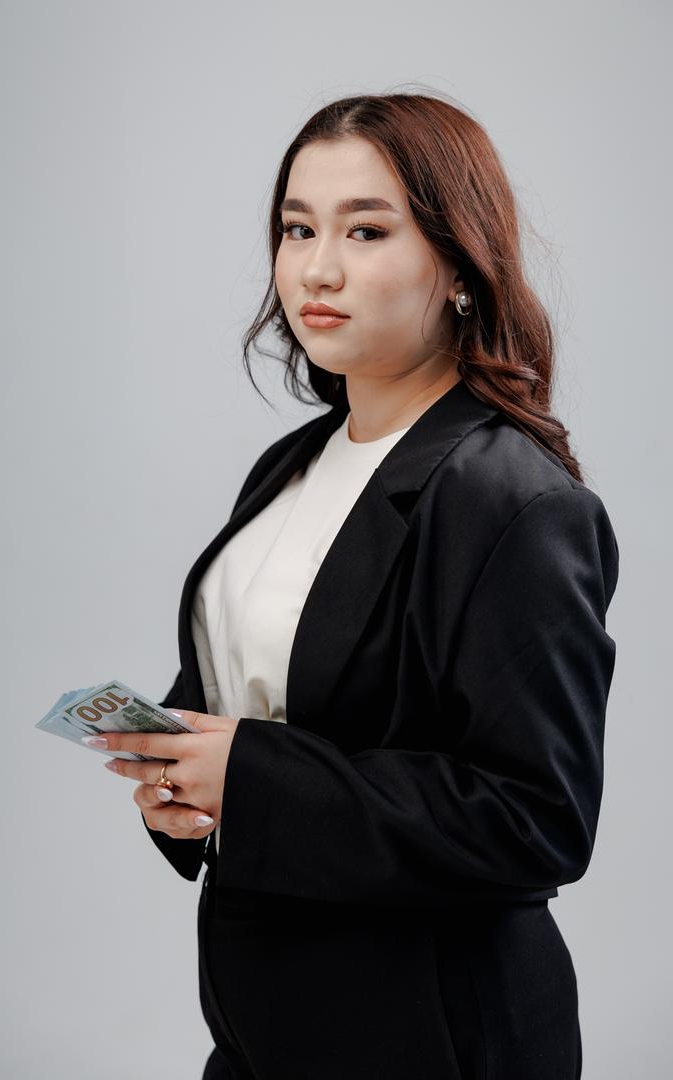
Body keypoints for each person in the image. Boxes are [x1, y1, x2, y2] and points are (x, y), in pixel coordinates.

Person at [100, 92, 619, 1080]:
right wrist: (181, 778)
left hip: (428, 1031)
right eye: (298, 229)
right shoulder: (293, 464)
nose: (317, 268)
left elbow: (537, 820)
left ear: (460, 265)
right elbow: (269, 693)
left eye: (366, 230)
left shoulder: (512, 499)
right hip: (262, 1019)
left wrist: (249, 778)